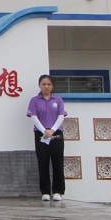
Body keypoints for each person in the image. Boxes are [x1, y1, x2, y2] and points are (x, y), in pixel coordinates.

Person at [26, 74, 67, 202]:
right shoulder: (34, 100)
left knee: (58, 163)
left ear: (52, 86)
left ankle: (58, 191)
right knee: (43, 163)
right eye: (43, 84)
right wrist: (44, 131)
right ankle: (45, 192)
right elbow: (33, 117)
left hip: (56, 133)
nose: (46, 86)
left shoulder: (58, 100)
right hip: (41, 134)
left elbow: (61, 116)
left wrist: (52, 130)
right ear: (39, 85)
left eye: (49, 84)